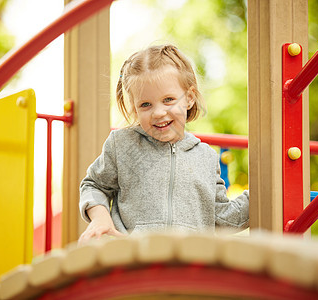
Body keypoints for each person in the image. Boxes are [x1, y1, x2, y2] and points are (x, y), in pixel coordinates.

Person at [78, 44, 249, 244]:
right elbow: (93, 185)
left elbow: (220, 218)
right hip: (135, 261)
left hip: (188, 265)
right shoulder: (122, 145)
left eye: (168, 100)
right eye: (145, 104)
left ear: (190, 98)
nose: (158, 112)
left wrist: (262, 194)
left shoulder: (206, 156)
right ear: (134, 108)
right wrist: (100, 219)